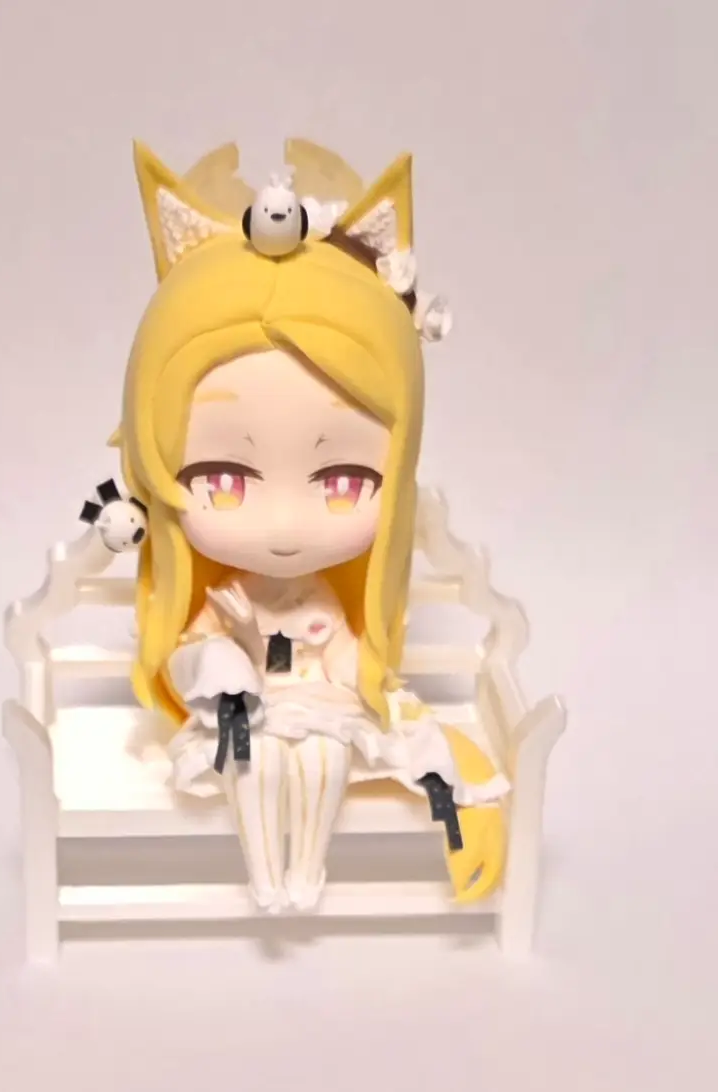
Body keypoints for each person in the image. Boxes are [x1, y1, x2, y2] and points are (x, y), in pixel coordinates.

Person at [109, 140, 509, 913]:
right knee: (253, 765)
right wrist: (217, 666)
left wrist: (367, 683)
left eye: (345, 481)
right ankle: (269, 876)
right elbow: (192, 652)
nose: (287, 527)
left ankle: (304, 875)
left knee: (322, 762)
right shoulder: (226, 599)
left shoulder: (323, 598)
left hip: (321, 708)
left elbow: (349, 660)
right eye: (222, 479)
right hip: (249, 713)